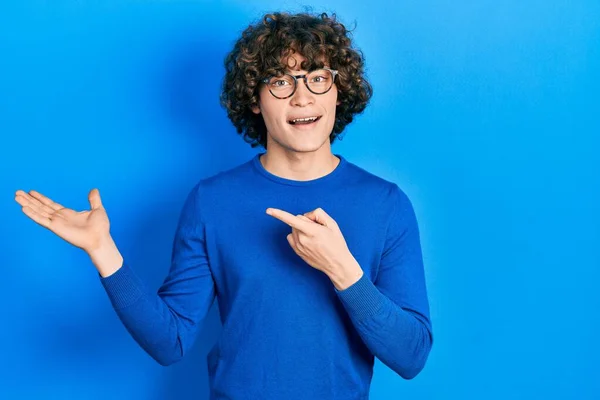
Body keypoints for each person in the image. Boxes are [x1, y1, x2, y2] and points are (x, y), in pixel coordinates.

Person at [14, 11, 433, 400]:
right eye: (280, 81)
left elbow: (411, 356)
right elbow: (170, 341)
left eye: (317, 78)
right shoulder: (212, 201)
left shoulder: (386, 205)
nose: (302, 98)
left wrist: (343, 269)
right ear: (255, 98)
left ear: (339, 91)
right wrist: (102, 251)